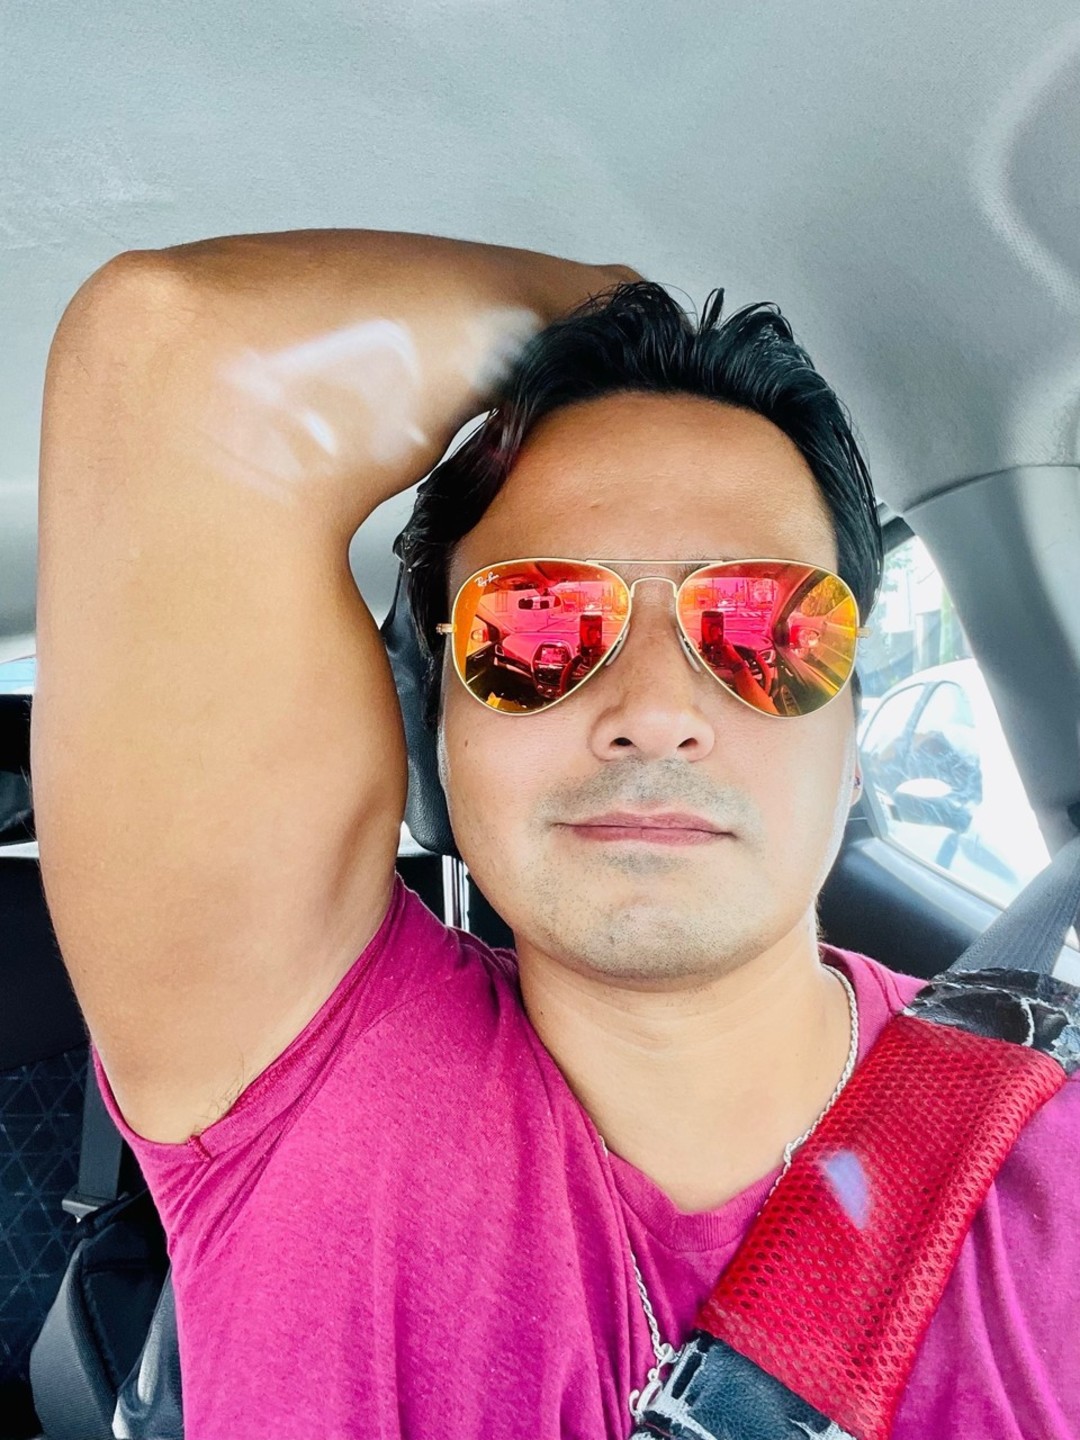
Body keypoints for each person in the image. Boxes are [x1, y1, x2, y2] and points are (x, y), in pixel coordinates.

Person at [32, 231, 1079, 1439]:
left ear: (849, 738)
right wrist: (620, 311)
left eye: (760, 628)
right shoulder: (303, 1082)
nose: (655, 712)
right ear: (435, 734)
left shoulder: (1053, 1165)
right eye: (537, 626)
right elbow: (169, 350)